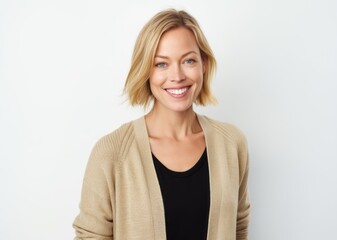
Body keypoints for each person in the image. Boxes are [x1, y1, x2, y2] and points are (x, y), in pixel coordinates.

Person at [73, 9, 250, 240]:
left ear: (203, 65)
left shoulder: (232, 144)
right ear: (146, 70)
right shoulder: (112, 153)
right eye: (161, 64)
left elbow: (239, 226)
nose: (177, 76)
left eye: (188, 60)